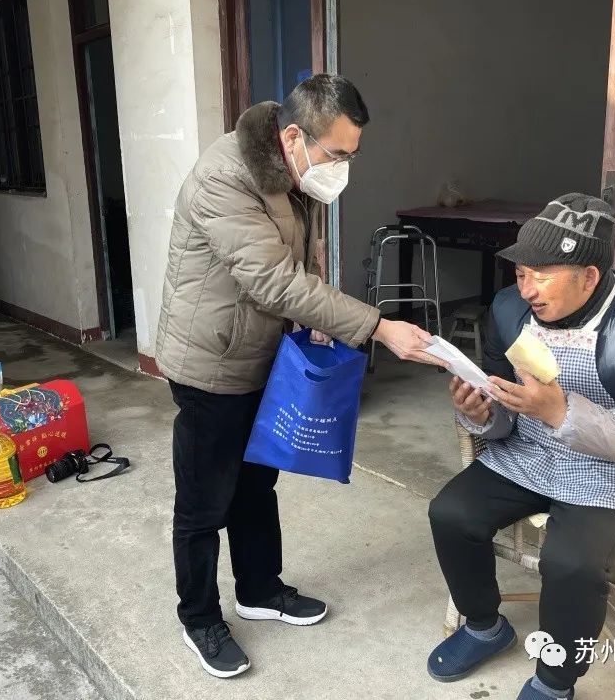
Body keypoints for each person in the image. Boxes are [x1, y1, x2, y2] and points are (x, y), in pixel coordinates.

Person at [155, 74, 441, 678]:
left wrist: (311, 319)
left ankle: (259, 589)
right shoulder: (224, 178)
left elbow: (298, 264)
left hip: (262, 354)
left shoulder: (293, 175)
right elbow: (271, 280)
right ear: (292, 136)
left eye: (351, 155)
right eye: (337, 154)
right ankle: (199, 617)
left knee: (257, 484)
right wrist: (377, 326)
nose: (342, 168)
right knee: (205, 502)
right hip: (212, 362)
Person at [426, 193, 615, 699]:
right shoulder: (508, 308)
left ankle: (555, 681)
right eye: (520, 273)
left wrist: (559, 411)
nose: (525, 289)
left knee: (571, 563)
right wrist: (481, 414)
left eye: (542, 275)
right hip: (530, 451)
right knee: (450, 513)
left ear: (589, 277)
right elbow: (503, 407)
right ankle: (484, 625)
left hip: (612, 465)